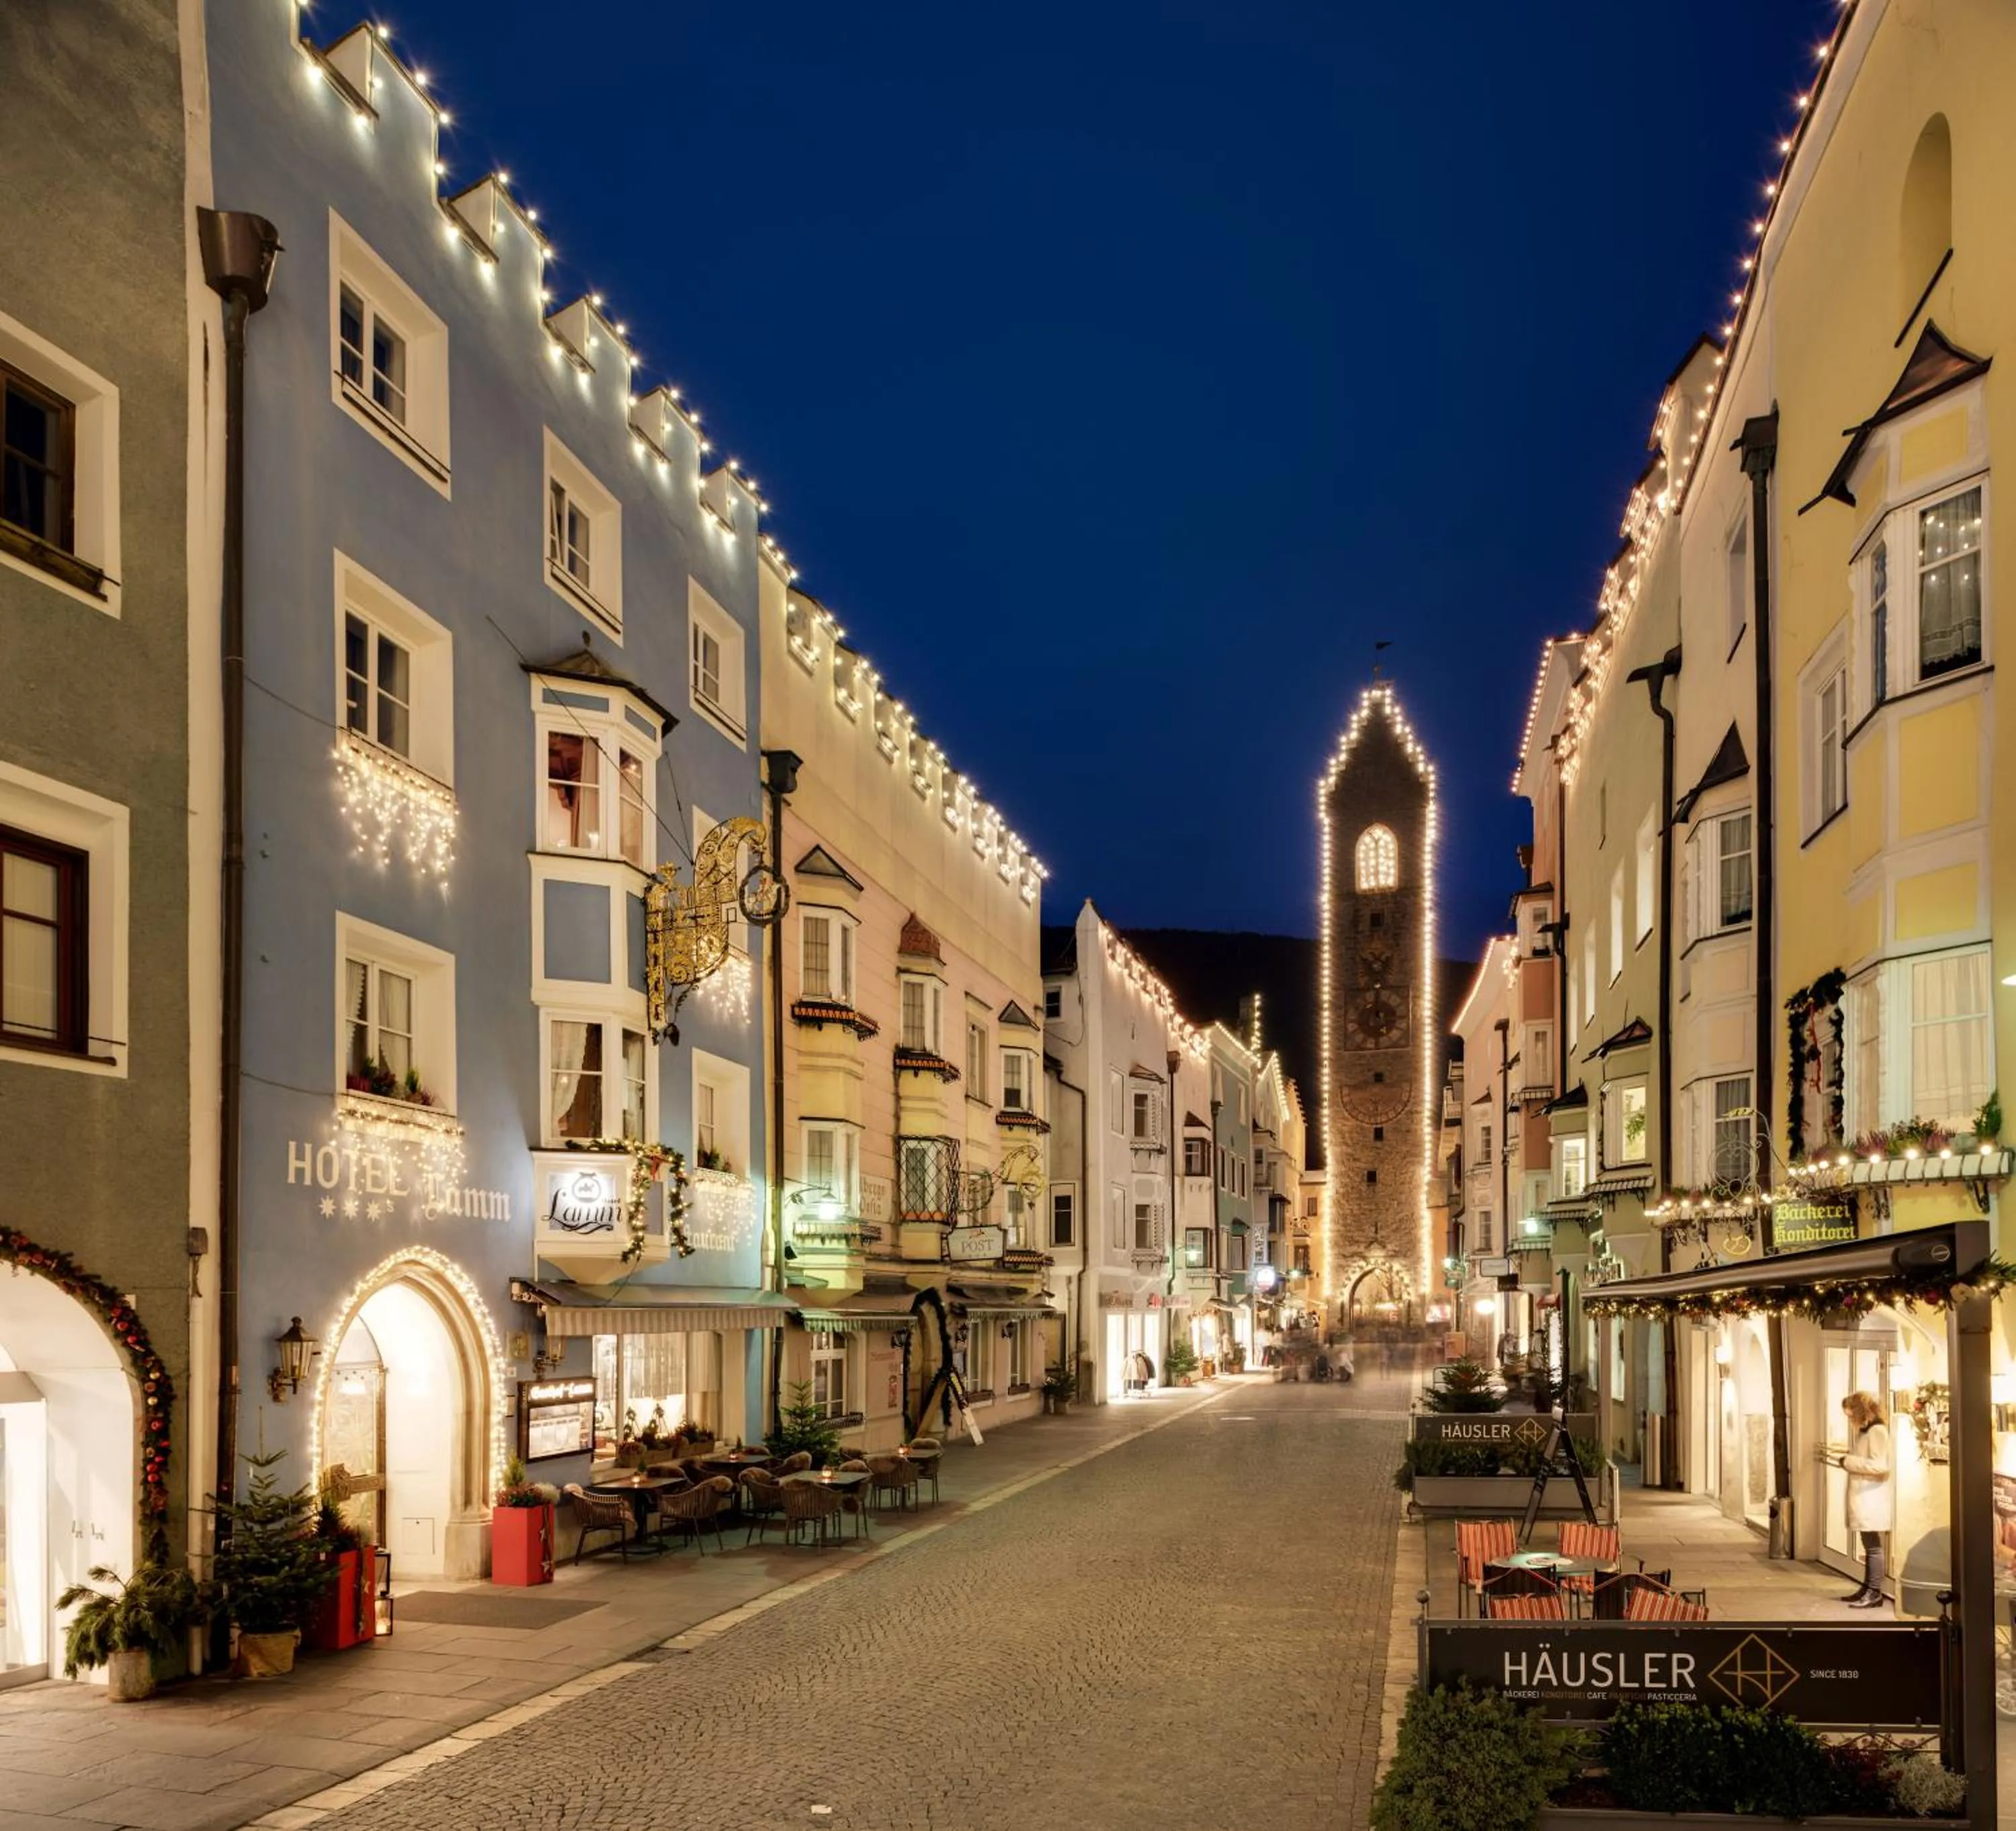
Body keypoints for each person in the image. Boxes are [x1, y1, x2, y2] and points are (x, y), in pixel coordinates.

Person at [1838, 1390, 1892, 1608]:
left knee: (1873, 1546)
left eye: (1851, 1415)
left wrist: (1849, 1462)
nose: (1850, 1420)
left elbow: (1880, 1465)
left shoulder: (1877, 1432)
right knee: (1868, 1543)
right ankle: (1867, 1586)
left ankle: (1874, 1591)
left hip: (1871, 1496)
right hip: (1865, 1494)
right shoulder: (1866, 1432)